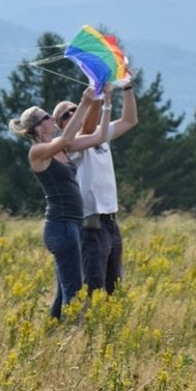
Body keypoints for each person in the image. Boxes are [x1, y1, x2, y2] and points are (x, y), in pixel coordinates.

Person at [9, 86, 111, 320]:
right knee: (73, 292)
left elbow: (100, 136)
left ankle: (52, 331)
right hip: (60, 226)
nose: (53, 118)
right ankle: (73, 337)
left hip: (71, 226)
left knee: (62, 290)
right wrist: (85, 103)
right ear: (36, 127)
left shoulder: (60, 146)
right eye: (47, 117)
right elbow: (66, 137)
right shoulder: (38, 152)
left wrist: (106, 103)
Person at [53, 78, 138, 295]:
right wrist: (97, 98)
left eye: (73, 109)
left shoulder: (99, 135)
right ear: (60, 125)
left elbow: (129, 120)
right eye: (65, 115)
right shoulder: (69, 146)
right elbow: (87, 126)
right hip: (91, 222)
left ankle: (106, 325)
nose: (72, 114)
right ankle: (84, 326)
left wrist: (126, 87)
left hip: (111, 219)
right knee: (93, 284)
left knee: (114, 284)